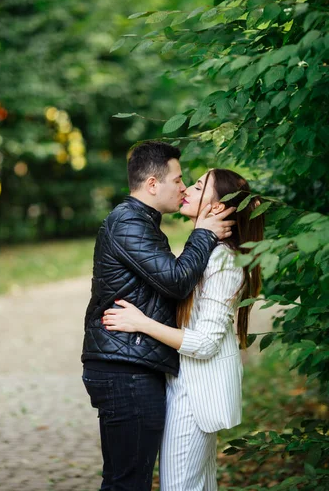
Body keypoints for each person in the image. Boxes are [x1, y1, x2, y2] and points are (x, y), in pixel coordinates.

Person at [82, 142, 236, 491]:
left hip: (131, 365)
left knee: (129, 480)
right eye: (179, 180)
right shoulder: (128, 222)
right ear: (153, 184)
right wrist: (204, 233)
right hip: (126, 370)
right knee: (127, 483)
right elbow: (177, 281)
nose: (183, 187)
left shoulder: (143, 223)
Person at [103, 168, 264, 491]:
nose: (187, 188)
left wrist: (141, 323)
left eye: (200, 185)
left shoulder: (222, 260)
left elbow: (204, 343)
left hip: (196, 393)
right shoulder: (208, 252)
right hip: (186, 383)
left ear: (217, 207)